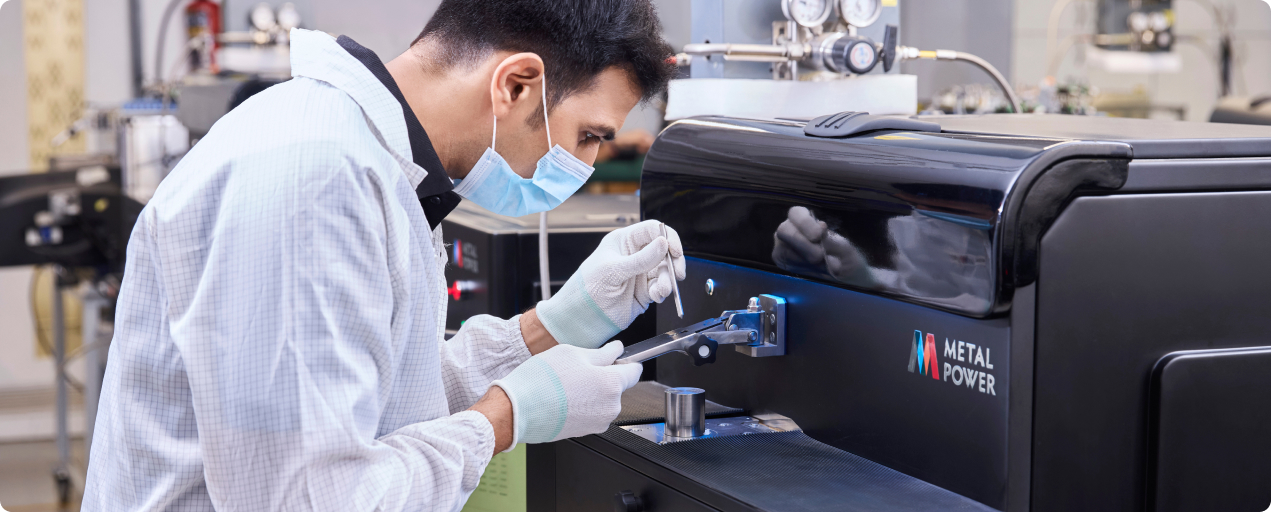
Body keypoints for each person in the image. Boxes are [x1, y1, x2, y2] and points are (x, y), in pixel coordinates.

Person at [82, 0, 683, 510]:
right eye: (588, 135)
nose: (586, 164)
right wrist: (505, 417)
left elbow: (381, 395)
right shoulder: (316, 180)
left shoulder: (374, 164)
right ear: (515, 85)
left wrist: (557, 324)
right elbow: (309, 499)